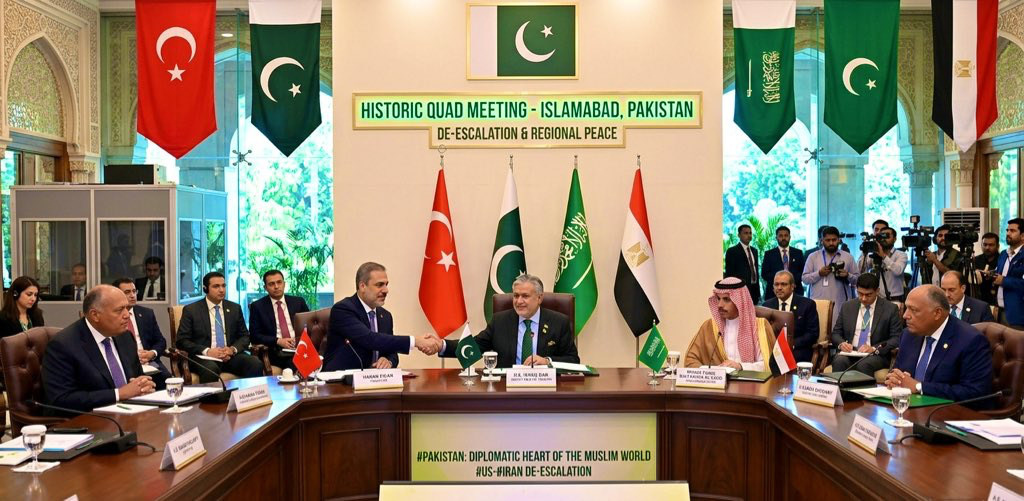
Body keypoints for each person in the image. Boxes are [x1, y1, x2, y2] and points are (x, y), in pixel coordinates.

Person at [41, 285, 157, 412]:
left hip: (131, 411)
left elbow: (137, 377)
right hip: (89, 418)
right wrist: (118, 394)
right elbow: (61, 399)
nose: (127, 315)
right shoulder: (63, 345)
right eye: (119, 310)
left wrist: (143, 385)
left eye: (127, 308)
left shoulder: (125, 336)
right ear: (95, 315)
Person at [435, 273, 578, 368]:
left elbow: (573, 360)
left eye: (525, 296)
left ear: (539, 298)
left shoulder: (559, 322)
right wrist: (441, 345)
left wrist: (547, 361)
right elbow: (474, 347)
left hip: (545, 389)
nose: (519, 301)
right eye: (516, 296)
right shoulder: (500, 321)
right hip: (505, 390)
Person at [885, 285, 992, 405]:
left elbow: (976, 392)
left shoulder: (970, 340)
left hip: (948, 411)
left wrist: (919, 387)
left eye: (913, 310)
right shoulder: (908, 335)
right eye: (906, 308)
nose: (905, 315)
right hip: (907, 407)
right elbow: (897, 372)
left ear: (937, 313)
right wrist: (894, 379)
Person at [323, 262, 440, 371]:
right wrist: (415, 341)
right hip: (340, 382)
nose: (386, 290)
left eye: (386, 284)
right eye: (379, 285)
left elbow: (392, 352)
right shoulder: (343, 309)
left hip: (375, 380)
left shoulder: (385, 316)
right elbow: (370, 339)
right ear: (362, 286)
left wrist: (388, 361)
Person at [175, 271, 263, 382]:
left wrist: (232, 349)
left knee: (255, 363)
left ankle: (249, 393)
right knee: (210, 369)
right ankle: (216, 395)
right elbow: (182, 341)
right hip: (204, 357)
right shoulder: (191, 310)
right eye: (216, 286)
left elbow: (245, 336)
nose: (221, 290)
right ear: (205, 289)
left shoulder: (234, 308)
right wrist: (207, 351)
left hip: (229, 356)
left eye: (223, 286)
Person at [684, 277, 775, 370]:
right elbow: (690, 360)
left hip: (749, 379)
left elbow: (768, 366)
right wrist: (711, 372)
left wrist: (741, 366)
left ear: (740, 301)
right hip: (717, 379)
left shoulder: (760, 326)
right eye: (718, 299)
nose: (720, 305)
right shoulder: (709, 327)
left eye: (726, 299)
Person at [829, 273, 902, 375]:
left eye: (868, 295)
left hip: (875, 355)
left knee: (864, 364)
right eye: (860, 293)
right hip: (851, 352)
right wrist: (842, 344)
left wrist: (874, 348)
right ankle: (839, 387)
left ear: (877, 291)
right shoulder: (847, 306)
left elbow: (896, 338)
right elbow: (836, 333)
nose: (863, 298)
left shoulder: (890, 309)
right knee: (839, 360)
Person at [248, 269, 310, 371]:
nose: (276, 286)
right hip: (276, 350)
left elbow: (309, 326)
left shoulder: (298, 302)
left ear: (284, 284)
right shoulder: (258, 306)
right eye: (271, 284)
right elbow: (254, 336)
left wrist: (299, 340)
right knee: (295, 361)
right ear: (265, 288)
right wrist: (278, 341)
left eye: (279, 282)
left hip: (300, 346)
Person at [112, 277, 171, 381]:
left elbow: (161, 341)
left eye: (134, 291)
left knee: (167, 379)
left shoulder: (146, 313)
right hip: (125, 364)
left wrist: (152, 353)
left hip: (148, 362)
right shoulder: (111, 316)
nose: (132, 295)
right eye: (127, 292)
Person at [802, 226, 859, 327]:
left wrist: (847, 275)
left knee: (838, 333)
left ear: (839, 240)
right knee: (819, 332)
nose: (831, 243)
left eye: (834, 240)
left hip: (840, 304)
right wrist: (819, 273)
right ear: (822, 240)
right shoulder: (813, 257)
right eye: (827, 240)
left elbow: (858, 280)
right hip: (818, 304)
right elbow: (804, 279)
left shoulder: (848, 257)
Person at [762, 271, 819, 362]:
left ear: (792, 286)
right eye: (776, 284)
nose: (779, 288)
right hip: (773, 348)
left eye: (783, 284)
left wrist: (790, 344)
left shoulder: (807, 304)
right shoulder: (766, 306)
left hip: (798, 349)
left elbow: (812, 334)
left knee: (785, 359)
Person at [857, 226, 907, 302]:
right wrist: (864, 253)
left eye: (887, 236)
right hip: (876, 298)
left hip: (894, 298)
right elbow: (860, 269)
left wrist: (883, 256)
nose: (883, 239)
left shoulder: (901, 255)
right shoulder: (875, 254)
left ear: (895, 239)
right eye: (881, 236)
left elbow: (898, 271)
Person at [761, 226, 805, 301]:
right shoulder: (769, 254)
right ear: (776, 238)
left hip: (796, 290)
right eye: (781, 236)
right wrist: (780, 282)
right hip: (774, 293)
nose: (783, 238)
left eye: (786, 235)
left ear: (790, 237)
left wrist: (791, 282)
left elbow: (803, 272)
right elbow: (764, 274)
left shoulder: (798, 253)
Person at [994, 218, 1024, 329]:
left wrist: (1004, 281)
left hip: (1018, 314)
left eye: (1012, 231)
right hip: (999, 311)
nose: (1008, 233)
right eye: (1007, 230)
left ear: (1022, 235)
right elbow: (999, 273)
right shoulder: (1003, 254)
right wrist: (991, 275)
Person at [724, 224, 761, 304]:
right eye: (746, 233)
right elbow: (730, 274)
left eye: (750, 233)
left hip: (754, 290)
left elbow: (755, 270)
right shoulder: (732, 251)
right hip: (740, 290)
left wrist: (758, 292)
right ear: (739, 235)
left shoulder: (754, 251)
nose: (749, 235)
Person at [972, 232, 1000, 306]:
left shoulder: (1002, 260)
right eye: (985, 244)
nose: (987, 247)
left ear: (998, 246)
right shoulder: (975, 260)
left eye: (991, 245)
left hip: (997, 300)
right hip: (979, 300)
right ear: (981, 245)